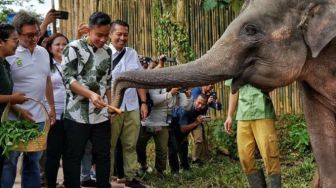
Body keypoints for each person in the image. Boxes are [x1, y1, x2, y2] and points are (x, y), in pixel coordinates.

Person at [1, 11, 56, 188]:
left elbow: (47, 80)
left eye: (36, 34)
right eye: (28, 35)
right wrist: (14, 105)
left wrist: (51, 107)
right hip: (12, 118)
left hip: (38, 117)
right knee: (9, 162)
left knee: (33, 162)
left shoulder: (43, 53)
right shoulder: (10, 54)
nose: (34, 38)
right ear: (17, 34)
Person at [61, 12, 112, 188]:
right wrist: (90, 94)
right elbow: (69, 80)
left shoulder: (108, 51)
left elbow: (108, 81)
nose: (103, 39)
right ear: (89, 30)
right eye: (99, 35)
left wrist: (110, 107)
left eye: (106, 35)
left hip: (101, 115)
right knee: (73, 156)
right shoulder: (73, 48)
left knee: (103, 155)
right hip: (77, 114)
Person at [109, 19, 148, 187]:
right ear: (110, 34)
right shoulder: (103, 53)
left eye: (125, 34)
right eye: (119, 34)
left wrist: (144, 102)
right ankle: (106, 177)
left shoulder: (132, 53)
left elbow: (139, 80)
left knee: (130, 144)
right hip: (112, 107)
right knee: (109, 145)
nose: (122, 38)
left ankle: (130, 177)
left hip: (132, 105)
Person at [224, 80, 281, 187]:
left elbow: (273, 82)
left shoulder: (261, 62)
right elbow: (234, 90)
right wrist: (229, 116)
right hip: (243, 115)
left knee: (270, 155)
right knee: (245, 158)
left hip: (263, 113)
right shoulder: (235, 66)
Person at [135, 59, 179, 179]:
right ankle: (143, 165)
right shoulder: (153, 85)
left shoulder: (173, 90)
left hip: (162, 123)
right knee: (139, 145)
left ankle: (160, 171)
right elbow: (154, 100)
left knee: (162, 149)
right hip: (147, 122)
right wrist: (170, 94)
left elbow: (184, 105)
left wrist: (185, 96)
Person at [0, 23, 28, 183]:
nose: (18, 44)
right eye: (14, 40)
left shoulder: (5, 63)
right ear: (1, 42)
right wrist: (12, 99)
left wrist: (19, 110)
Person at [44, 33, 69, 188]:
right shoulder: (46, 64)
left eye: (65, 44)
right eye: (57, 44)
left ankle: (68, 182)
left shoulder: (73, 63)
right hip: (53, 114)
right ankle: (51, 184)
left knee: (70, 154)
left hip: (72, 114)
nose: (61, 47)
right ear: (50, 48)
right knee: (53, 154)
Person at [168, 94, 208, 176]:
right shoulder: (186, 109)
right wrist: (196, 122)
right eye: (199, 103)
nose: (200, 106)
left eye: (203, 104)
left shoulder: (202, 109)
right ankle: (175, 172)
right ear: (195, 100)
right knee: (173, 149)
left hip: (183, 130)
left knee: (183, 147)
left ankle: (185, 167)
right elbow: (183, 129)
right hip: (172, 127)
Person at [190, 84, 222, 165]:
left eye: (212, 87)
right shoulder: (196, 90)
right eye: (210, 86)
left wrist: (217, 103)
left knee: (202, 140)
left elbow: (218, 108)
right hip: (192, 119)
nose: (211, 88)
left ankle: (201, 158)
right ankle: (195, 160)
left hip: (200, 120)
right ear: (205, 84)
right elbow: (196, 107)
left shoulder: (208, 94)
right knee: (198, 139)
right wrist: (207, 102)